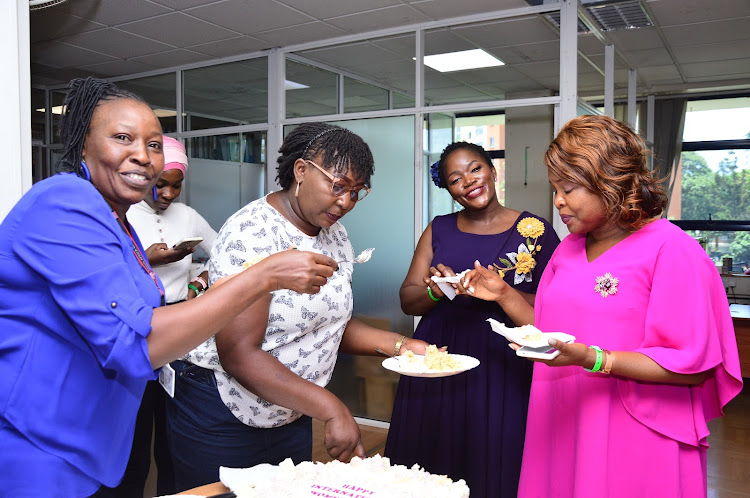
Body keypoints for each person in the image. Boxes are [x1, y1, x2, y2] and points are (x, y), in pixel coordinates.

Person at [0, 77, 337, 498]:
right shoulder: (65, 203)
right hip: (40, 447)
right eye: (122, 138)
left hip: (96, 440)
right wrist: (262, 275)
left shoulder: (116, 220)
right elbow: (134, 340)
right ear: (82, 143)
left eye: (154, 144)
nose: (142, 156)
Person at [460, 115, 743, 497]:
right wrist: (503, 295)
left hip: (635, 430)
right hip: (563, 418)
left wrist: (594, 359)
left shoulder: (671, 250)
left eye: (570, 188)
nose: (558, 201)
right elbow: (549, 332)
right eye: (555, 188)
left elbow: (689, 366)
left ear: (611, 183)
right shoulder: (568, 250)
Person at [165, 122, 434, 492]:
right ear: (302, 170)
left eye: (356, 192)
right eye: (337, 186)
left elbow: (327, 322)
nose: (345, 202)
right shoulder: (253, 232)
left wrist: (401, 346)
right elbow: (239, 353)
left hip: (290, 407)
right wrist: (331, 408)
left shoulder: (334, 234)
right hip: (223, 409)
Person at [385, 141, 560, 497]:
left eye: (475, 168)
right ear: (448, 189)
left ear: (493, 171)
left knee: (496, 450)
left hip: (505, 357)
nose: (468, 180)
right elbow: (408, 300)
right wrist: (437, 289)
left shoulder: (536, 231)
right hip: (441, 355)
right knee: (432, 452)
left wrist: (501, 293)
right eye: (455, 178)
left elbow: (553, 306)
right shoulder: (439, 228)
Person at [116, 136, 218, 496]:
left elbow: (224, 254)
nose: (169, 193)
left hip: (182, 327)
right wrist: (148, 259)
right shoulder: (123, 215)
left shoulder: (188, 216)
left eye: (176, 185)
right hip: (139, 326)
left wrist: (200, 280)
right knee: (136, 426)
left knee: (177, 427)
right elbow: (108, 276)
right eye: (162, 183)